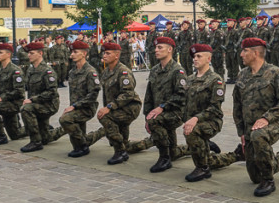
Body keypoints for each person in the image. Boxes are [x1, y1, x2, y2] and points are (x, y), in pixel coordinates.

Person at [230, 36, 279, 197]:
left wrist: (266, 118)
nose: (241, 54)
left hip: (273, 124)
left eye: (245, 51)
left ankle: (269, 181)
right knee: (255, 176)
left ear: (255, 53)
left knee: (258, 136)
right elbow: (237, 106)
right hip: (250, 128)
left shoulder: (276, 73)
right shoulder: (242, 75)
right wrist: (241, 132)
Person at [170, 43, 226, 181]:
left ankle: (203, 168)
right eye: (194, 56)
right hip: (192, 121)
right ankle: (228, 154)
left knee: (192, 132)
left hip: (210, 121)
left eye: (199, 56)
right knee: (210, 159)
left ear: (209, 59)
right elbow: (182, 102)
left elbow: (215, 108)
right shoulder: (189, 79)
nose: (195, 59)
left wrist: (195, 119)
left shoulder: (215, 80)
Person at [131, 36, 187, 172]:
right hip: (159, 111)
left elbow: (181, 95)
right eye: (156, 47)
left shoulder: (177, 71)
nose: (156, 50)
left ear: (170, 50)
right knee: (173, 152)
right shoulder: (155, 70)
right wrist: (147, 116)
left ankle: (164, 158)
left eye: (160, 47)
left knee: (156, 122)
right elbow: (149, 95)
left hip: (175, 112)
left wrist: (162, 108)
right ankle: (193, 148)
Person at [83, 41, 141, 163]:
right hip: (118, 106)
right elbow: (106, 95)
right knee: (120, 125)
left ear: (117, 55)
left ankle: (120, 150)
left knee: (105, 117)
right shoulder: (105, 72)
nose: (104, 55)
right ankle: (123, 148)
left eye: (108, 53)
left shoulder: (123, 72)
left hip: (130, 106)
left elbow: (128, 94)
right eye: (104, 53)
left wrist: (109, 107)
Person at [54, 39, 100, 155]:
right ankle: (81, 145)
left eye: (75, 52)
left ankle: (83, 146)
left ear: (84, 54)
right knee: (78, 129)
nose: (71, 55)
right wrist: (73, 106)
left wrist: (74, 106)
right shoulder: (72, 72)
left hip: (86, 108)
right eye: (72, 52)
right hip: (75, 107)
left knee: (65, 120)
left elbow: (93, 95)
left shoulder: (90, 72)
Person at [18, 42, 59, 152]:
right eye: (28, 53)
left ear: (40, 53)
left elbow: (52, 92)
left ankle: (35, 142)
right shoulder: (31, 69)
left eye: (31, 53)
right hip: (37, 104)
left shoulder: (47, 71)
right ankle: (64, 129)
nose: (29, 55)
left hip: (48, 105)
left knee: (26, 109)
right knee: (45, 138)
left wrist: (31, 100)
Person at [0, 43, 27, 146]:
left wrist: (0, 99)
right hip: (5, 102)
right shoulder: (0, 71)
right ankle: (37, 128)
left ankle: (1, 136)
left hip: (15, 103)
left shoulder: (15, 70)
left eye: (0, 52)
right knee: (15, 135)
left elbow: (19, 92)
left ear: (8, 54)